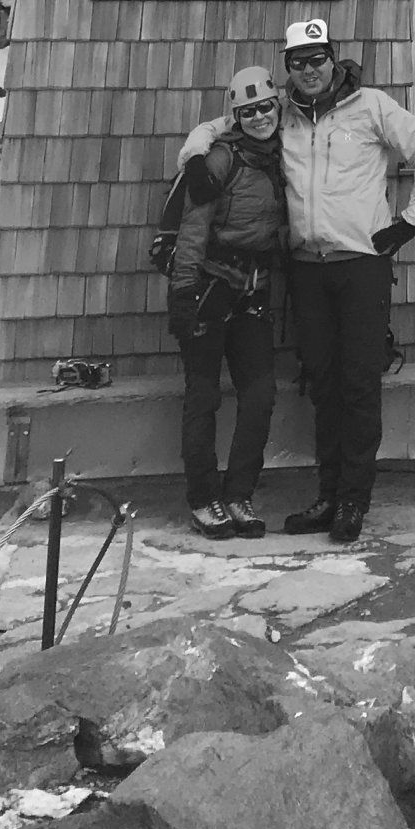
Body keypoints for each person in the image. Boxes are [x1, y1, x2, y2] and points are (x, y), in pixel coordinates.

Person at [277, 15, 415, 545]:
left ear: (334, 59)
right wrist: (201, 137)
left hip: (360, 268)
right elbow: (229, 127)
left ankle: (354, 500)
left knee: (357, 384)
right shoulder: (283, 116)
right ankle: (328, 496)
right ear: (289, 68)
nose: (310, 70)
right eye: (299, 62)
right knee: (321, 386)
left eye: (318, 59)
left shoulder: (370, 106)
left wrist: (410, 221)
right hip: (306, 269)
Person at [167, 66, 287, 539]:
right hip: (208, 288)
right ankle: (203, 499)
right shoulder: (220, 160)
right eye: (248, 111)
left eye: (265, 107)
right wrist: (182, 291)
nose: (259, 117)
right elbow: (193, 228)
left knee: (259, 395)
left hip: (253, 291)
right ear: (236, 117)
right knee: (204, 395)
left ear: (277, 106)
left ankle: (239, 494)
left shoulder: (284, 155)